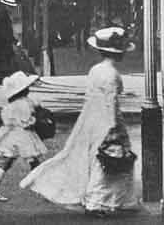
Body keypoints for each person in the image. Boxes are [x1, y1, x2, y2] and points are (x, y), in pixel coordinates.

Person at [20, 26, 140, 217]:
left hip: (91, 119)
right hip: (108, 120)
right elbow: (110, 103)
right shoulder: (112, 74)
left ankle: (112, 199)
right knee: (111, 161)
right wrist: (113, 128)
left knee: (98, 159)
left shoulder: (95, 70)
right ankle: (99, 201)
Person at [0, 72, 47, 201]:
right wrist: (35, 120)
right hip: (24, 135)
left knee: (7, 161)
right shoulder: (26, 103)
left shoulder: (9, 106)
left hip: (10, 134)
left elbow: (7, 121)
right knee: (34, 162)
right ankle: (44, 189)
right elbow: (27, 121)